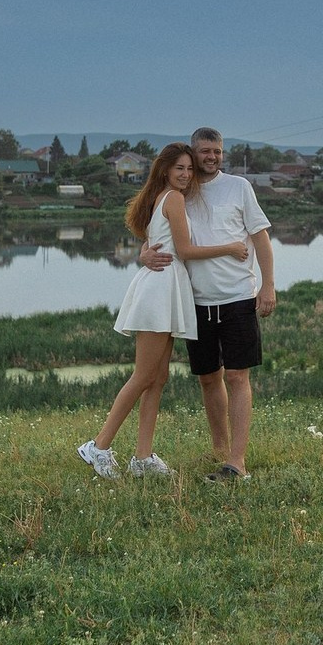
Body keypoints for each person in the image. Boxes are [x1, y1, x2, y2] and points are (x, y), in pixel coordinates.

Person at [78, 143, 249, 480]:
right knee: (144, 376)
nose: (186, 174)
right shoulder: (173, 198)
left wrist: (145, 251)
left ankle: (142, 458)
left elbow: (163, 243)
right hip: (159, 291)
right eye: (179, 168)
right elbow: (184, 250)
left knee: (158, 379)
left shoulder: (165, 197)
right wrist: (230, 247)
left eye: (189, 169)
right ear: (165, 170)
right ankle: (98, 446)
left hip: (167, 287)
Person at [140, 127, 275, 480]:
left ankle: (236, 462)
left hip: (237, 296)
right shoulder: (179, 192)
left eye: (216, 151)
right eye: (204, 151)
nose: (211, 157)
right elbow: (157, 234)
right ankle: (219, 450)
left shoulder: (238, 187)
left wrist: (268, 286)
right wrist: (143, 254)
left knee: (237, 376)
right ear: (193, 152)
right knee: (208, 379)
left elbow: (261, 238)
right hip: (195, 301)